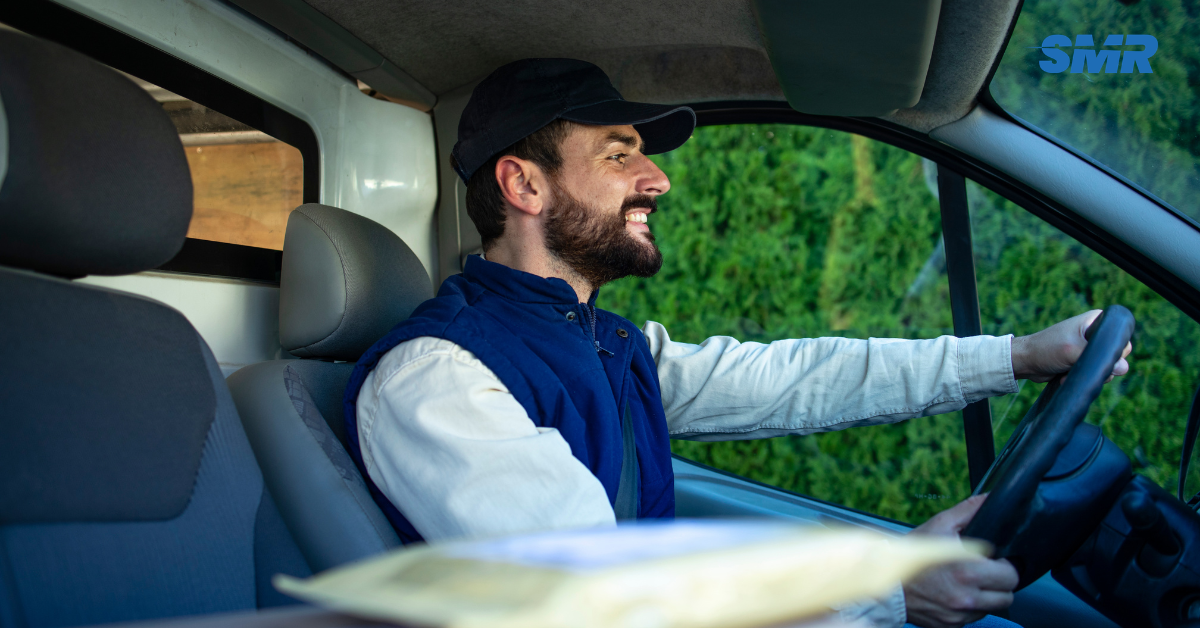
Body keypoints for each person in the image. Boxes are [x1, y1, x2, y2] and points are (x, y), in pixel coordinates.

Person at [342, 59, 1132, 628]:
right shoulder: (434, 379)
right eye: (619, 155)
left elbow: (794, 379)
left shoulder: (607, 343)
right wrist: (886, 591)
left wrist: (1015, 356)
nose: (659, 180)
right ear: (524, 186)